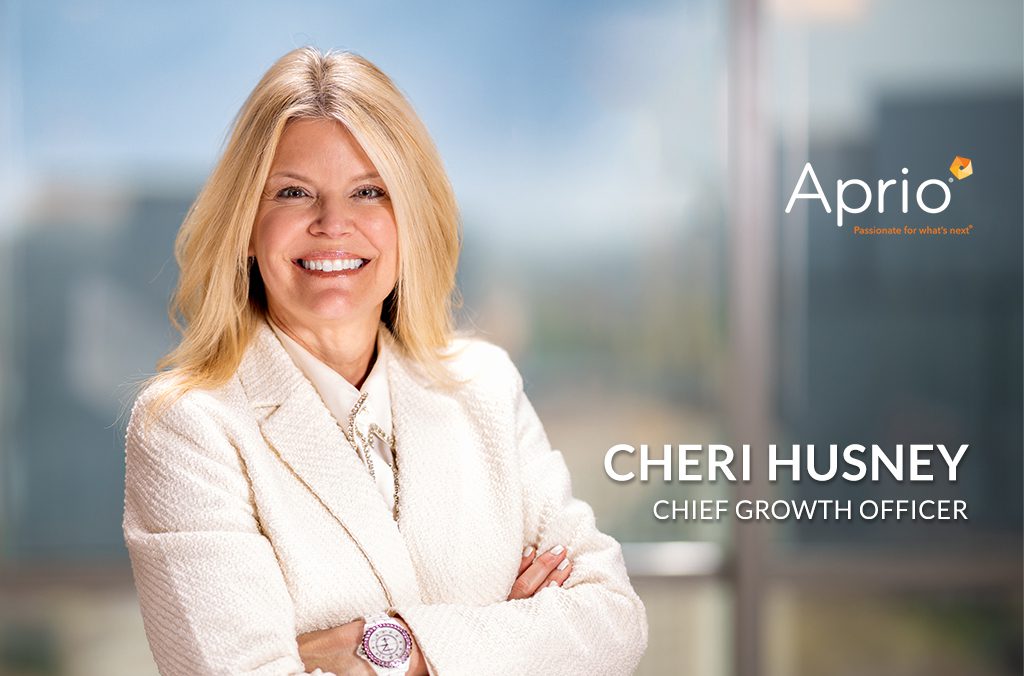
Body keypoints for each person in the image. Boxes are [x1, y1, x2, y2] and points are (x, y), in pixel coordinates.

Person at [123, 46, 648, 675]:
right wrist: (503, 635)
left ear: (409, 218)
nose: (333, 224)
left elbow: (612, 621)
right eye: (293, 193)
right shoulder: (187, 429)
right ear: (245, 226)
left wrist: (387, 652)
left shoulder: (484, 386)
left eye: (369, 191)